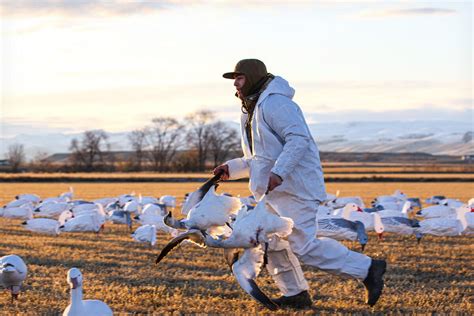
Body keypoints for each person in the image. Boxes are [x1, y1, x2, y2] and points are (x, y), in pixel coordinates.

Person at [213, 59, 386, 309]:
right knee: (272, 241)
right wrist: (231, 168)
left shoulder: (276, 103)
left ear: (251, 77)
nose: (236, 85)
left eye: (239, 78)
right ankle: (295, 295)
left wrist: (280, 173)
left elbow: (298, 139)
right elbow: (258, 158)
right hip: (272, 192)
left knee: (303, 246)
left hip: (295, 189)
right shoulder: (251, 110)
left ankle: (369, 268)